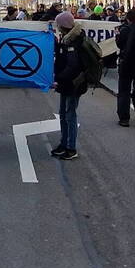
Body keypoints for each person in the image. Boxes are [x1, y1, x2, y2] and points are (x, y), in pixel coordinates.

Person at [51, 11, 99, 160]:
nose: (57, 27)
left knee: (69, 115)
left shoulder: (74, 41)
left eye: (59, 25)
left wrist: (58, 77)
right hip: (67, 84)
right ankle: (64, 144)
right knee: (64, 114)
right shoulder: (67, 39)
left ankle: (71, 148)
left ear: (64, 26)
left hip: (73, 84)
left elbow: (71, 66)